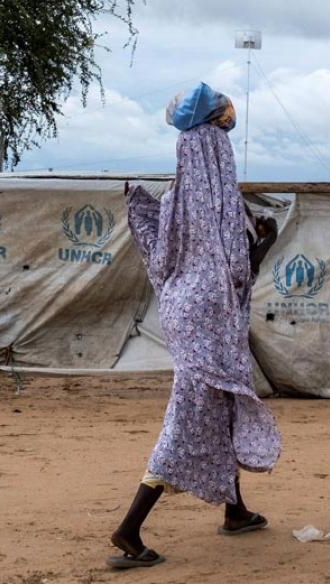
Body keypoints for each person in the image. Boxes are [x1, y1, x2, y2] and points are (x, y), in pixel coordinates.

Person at [108, 83, 281, 569]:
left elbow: (167, 257)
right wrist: (267, 242)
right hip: (212, 313)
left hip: (186, 309)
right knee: (187, 422)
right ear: (214, 143)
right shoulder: (217, 190)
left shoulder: (176, 197)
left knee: (220, 405)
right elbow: (234, 266)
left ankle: (236, 511)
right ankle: (129, 529)